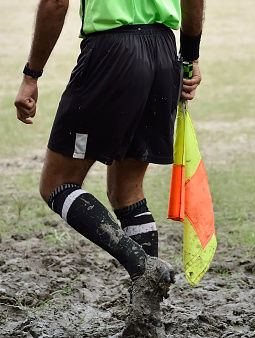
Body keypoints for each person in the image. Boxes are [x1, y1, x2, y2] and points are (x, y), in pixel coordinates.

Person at [14, 0, 204, 336]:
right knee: (126, 192)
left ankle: (143, 265)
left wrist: (32, 75)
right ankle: (146, 323)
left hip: (111, 55)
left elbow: (55, 3)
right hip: (164, 53)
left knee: (57, 184)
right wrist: (189, 56)